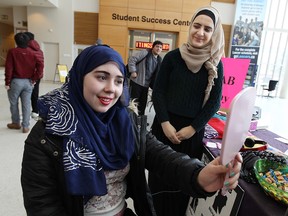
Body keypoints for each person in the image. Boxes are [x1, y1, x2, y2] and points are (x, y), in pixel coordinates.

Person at [21, 44, 242, 216]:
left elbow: (161, 156)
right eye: (101, 77)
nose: (111, 89)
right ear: (80, 78)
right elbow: (42, 205)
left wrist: (199, 174)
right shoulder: (48, 135)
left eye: (118, 81)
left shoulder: (124, 119)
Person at [148, 6, 225, 216]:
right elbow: (159, 92)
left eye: (207, 29)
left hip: (191, 133)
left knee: (184, 182)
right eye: (196, 26)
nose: (200, 32)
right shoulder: (172, 58)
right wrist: (164, 122)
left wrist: (193, 128)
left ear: (214, 33)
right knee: (158, 178)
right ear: (190, 27)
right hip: (164, 127)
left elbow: (214, 103)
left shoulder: (215, 64)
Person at [5, 32, 43, 133]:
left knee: (14, 103)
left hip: (15, 82)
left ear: (16, 41)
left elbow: (9, 68)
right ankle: (25, 126)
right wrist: (34, 79)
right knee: (26, 104)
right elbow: (40, 66)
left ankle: (16, 123)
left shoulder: (12, 51)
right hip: (28, 82)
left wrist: (7, 82)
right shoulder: (33, 52)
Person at [127, 40, 163, 115]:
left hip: (146, 85)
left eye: (160, 47)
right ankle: (131, 120)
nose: (158, 48)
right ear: (153, 47)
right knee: (134, 103)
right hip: (137, 81)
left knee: (142, 105)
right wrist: (133, 71)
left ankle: (140, 121)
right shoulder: (145, 53)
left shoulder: (159, 60)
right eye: (157, 46)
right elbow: (132, 59)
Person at [24, 31, 44, 120]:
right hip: (37, 76)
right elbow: (41, 65)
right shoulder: (39, 49)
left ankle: (26, 114)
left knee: (25, 95)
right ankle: (35, 111)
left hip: (28, 76)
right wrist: (37, 77)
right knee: (35, 93)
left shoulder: (26, 50)